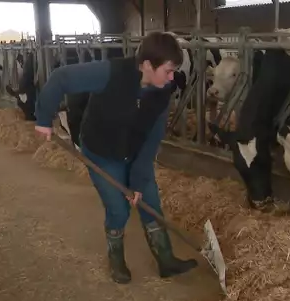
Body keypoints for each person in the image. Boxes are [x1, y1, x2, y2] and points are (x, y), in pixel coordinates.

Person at [33, 32, 198, 284]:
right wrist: (44, 118)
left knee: (149, 201)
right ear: (146, 65)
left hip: (134, 151)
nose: (172, 77)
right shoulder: (111, 73)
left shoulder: (163, 92)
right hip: (101, 152)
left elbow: (151, 139)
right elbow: (61, 77)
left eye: (174, 71)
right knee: (118, 209)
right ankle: (117, 260)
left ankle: (166, 260)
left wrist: (137, 181)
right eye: (167, 70)